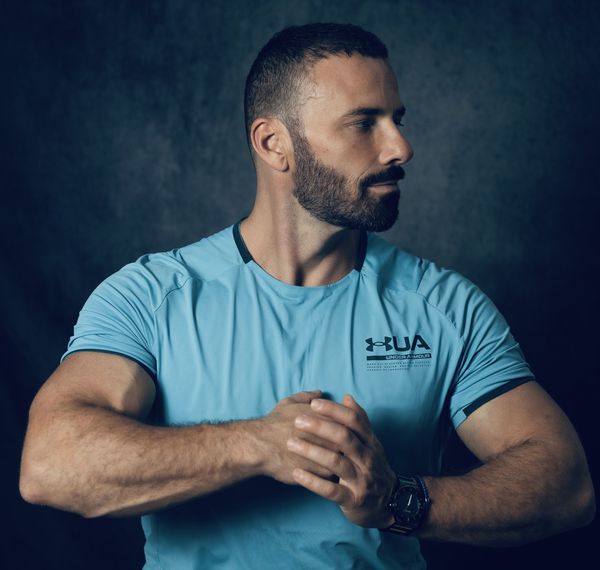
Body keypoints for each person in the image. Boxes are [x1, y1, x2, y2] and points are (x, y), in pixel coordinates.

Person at [20, 22, 594, 569]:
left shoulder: (445, 307)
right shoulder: (153, 296)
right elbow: (50, 464)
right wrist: (260, 445)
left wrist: (396, 501)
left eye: (397, 119)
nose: (401, 147)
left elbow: (568, 486)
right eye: (364, 123)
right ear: (274, 143)